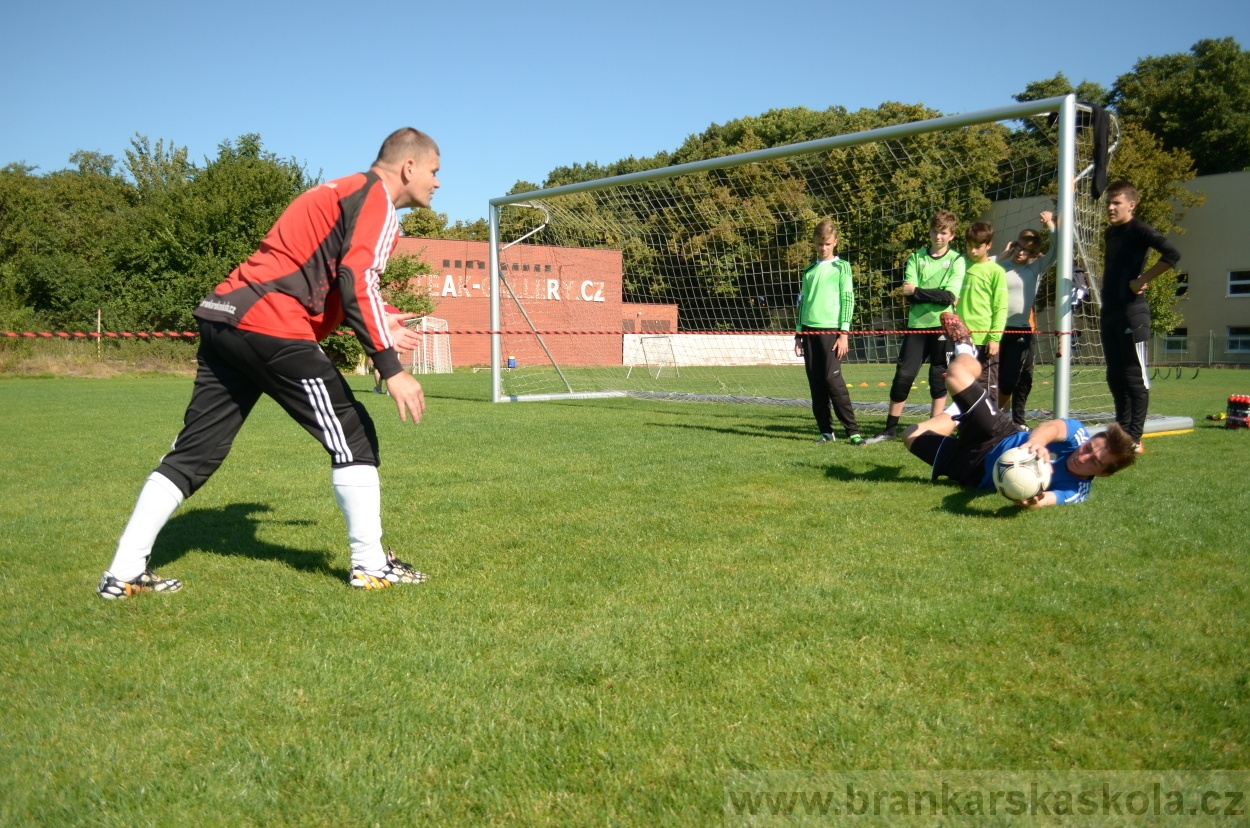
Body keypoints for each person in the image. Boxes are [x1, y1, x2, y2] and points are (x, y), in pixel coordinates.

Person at [97, 128, 440, 598]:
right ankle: (371, 565)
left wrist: (388, 320)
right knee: (352, 433)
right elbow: (356, 279)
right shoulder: (376, 200)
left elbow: (313, 277)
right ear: (408, 167)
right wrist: (391, 366)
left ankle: (123, 572)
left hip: (224, 317)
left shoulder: (336, 190)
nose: (437, 183)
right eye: (435, 171)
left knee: (195, 452)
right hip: (269, 325)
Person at [902, 313, 1137, 507]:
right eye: (1088, 448)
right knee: (955, 376)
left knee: (910, 435)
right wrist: (1037, 442)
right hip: (998, 433)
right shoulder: (1077, 436)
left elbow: (1049, 499)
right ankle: (965, 348)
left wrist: (1031, 500)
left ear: (1104, 473)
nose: (1082, 456)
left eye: (1094, 461)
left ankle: (960, 410)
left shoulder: (1077, 490)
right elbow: (1053, 427)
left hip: (972, 472)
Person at [866, 210, 965, 443]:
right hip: (916, 326)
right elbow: (907, 292)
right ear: (929, 232)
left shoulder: (958, 260)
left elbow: (949, 296)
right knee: (903, 376)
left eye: (943, 232)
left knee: (938, 377)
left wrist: (920, 293)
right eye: (934, 231)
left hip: (943, 327)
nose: (938, 236)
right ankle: (889, 430)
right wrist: (933, 294)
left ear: (951, 235)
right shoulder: (916, 257)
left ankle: (932, 430)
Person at [1100, 180, 1182, 451]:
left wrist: (1144, 278)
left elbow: (1172, 254)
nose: (1110, 208)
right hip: (1110, 312)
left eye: (1117, 203)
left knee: (1133, 376)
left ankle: (1134, 438)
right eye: (1109, 203)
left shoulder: (1140, 229)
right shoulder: (1110, 233)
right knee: (1115, 375)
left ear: (1131, 205)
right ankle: (1121, 433)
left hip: (1133, 312)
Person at [794, 220, 865, 445]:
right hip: (809, 332)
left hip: (832, 331)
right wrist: (799, 334)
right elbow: (803, 303)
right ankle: (826, 431)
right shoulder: (809, 271)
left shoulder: (842, 267)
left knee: (832, 380)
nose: (823, 248)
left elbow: (847, 299)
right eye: (818, 244)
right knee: (816, 382)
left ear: (835, 242)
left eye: (826, 244)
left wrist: (844, 332)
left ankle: (852, 432)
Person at [997, 211, 1057, 425]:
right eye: (1019, 246)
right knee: (1002, 380)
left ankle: (1018, 420)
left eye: (1027, 249)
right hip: (996, 330)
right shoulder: (1000, 266)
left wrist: (1050, 224)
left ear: (1033, 253)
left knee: (1022, 379)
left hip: (1022, 330)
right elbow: (977, 267)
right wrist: (1001, 257)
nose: (1021, 252)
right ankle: (996, 417)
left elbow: (1058, 248)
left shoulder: (1036, 268)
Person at [954, 221, 1007, 398]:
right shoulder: (959, 266)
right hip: (961, 338)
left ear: (988, 245)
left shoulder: (996, 271)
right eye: (969, 246)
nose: (973, 251)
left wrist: (994, 337)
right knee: (962, 385)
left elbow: (1000, 307)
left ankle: (989, 425)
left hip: (984, 340)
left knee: (986, 387)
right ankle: (966, 424)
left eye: (978, 247)